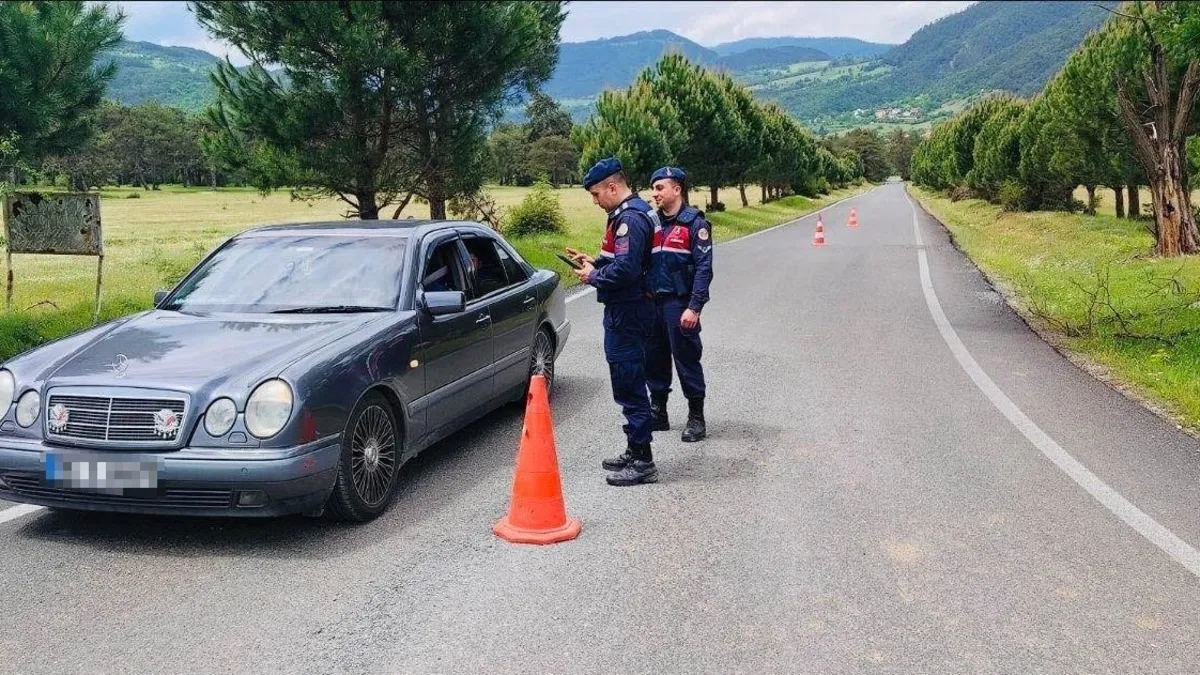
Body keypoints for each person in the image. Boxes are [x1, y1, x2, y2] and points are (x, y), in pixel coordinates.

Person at [566, 157, 660, 486]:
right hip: (631, 307)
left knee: (629, 380)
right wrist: (593, 262)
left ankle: (643, 460)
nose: (594, 201)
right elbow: (619, 260)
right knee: (627, 378)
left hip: (629, 310)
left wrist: (594, 276)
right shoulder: (626, 215)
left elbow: (627, 270)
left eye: (596, 194)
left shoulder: (630, 220)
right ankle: (635, 449)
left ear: (612, 186)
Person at [647, 166, 712, 442]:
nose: (654, 194)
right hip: (652, 304)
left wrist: (694, 307)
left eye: (660, 188)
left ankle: (696, 417)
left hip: (679, 304)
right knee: (653, 359)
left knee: (686, 359)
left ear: (677, 189)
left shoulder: (694, 224)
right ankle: (658, 411)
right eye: (653, 188)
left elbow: (703, 269)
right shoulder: (650, 223)